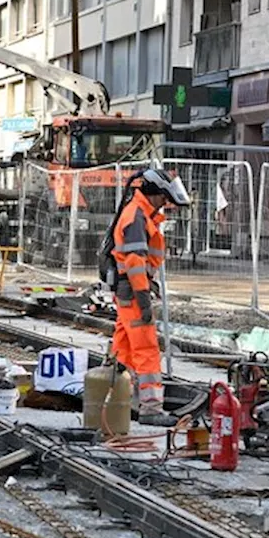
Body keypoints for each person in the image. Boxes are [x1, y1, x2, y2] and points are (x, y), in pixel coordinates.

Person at [107, 167, 191, 426]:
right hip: (134, 291)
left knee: (123, 348)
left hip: (128, 291)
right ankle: (151, 409)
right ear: (154, 194)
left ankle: (115, 397)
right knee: (146, 349)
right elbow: (135, 263)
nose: (165, 203)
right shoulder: (137, 217)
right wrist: (144, 299)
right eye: (163, 198)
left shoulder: (140, 213)